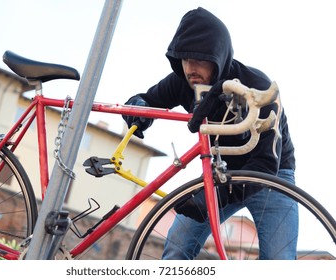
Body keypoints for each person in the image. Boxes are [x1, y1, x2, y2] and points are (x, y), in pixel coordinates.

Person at [122, 7, 297, 259]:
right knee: (177, 245)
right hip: (220, 172)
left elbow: (267, 163)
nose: (190, 68)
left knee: (279, 260)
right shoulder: (182, 80)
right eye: (184, 59)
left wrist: (215, 196)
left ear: (218, 57)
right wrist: (137, 109)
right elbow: (146, 99)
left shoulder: (257, 86)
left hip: (271, 174)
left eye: (199, 59)